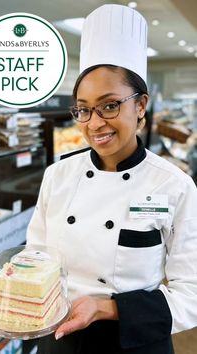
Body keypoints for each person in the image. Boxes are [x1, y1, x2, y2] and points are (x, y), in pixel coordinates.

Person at [26, 4, 197, 354]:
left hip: (136, 340)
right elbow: (37, 258)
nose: (94, 123)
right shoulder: (57, 176)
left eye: (110, 105)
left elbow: (191, 292)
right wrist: (13, 294)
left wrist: (108, 307)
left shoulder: (174, 185)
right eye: (83, 109)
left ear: (141, 105)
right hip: (59, 338)